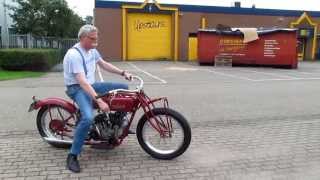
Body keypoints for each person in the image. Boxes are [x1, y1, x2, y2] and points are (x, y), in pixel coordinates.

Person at [63, 25, 132, 173]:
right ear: (82, 38)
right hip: (77, 88)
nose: (96, 42)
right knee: (88, 118)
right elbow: (82, 82)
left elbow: (103, 64)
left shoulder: (92, 50)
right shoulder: (73, 55)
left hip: (91, 84)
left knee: (123, 89)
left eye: (96, 38)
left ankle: (116, 124)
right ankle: (73, 155)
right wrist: (99, 101)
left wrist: (122, 72)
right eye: (92, 39)